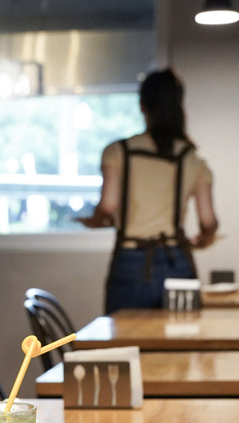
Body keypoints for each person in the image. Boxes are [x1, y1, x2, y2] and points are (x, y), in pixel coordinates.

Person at [78, 69, 219, 313]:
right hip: (177, 261)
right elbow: (208, 220)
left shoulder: (117, 151)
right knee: (182, 343)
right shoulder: (192, 159)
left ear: (143, 106)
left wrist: (95, 220)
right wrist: (206, 238)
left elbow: (108, 205)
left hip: (130, 261)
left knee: (123, 343)